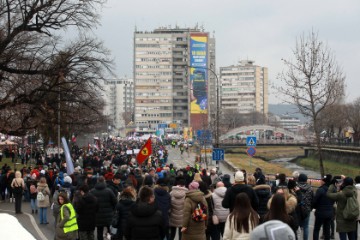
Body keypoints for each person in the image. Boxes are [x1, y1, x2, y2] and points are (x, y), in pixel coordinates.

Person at [312, 174, 335, 240]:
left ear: (324, 181)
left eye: (321, 180)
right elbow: (334, 200)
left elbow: (315, 201)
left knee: (316, 229)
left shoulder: (320, 190)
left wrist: (315, 207)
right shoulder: (333, 190)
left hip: (320, 212)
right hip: (329, 212)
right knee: (327, 230)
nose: (320, 181)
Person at [297, 173, 313, 240]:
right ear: (306, 179)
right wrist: (310, 208)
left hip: (297, 209)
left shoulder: (296, 187)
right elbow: (312, 199)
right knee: (306, 227)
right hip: (307, 209)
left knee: (296, 226)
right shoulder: (310, 188)